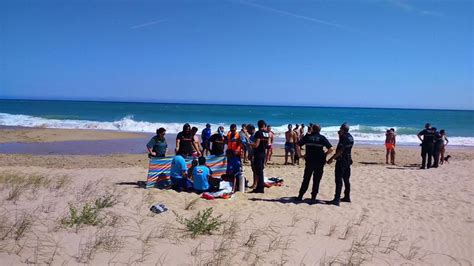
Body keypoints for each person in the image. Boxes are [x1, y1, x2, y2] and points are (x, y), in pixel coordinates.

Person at [295, 124, 334, 203]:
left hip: (309, 161)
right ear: (319, 130)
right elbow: (331, 149)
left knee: (306, 179)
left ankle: (300, 196)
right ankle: (313, 197)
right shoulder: (322, 138)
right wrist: (325, 154)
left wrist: (300, 155)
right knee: (316, 180)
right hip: (319, 162)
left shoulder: (307, 137)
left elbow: (297, 145)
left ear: (312, 129)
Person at [327, 123, 354, 206]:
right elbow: (347, 148)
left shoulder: (344, 137)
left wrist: (331, 159)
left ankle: (337, 198)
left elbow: (340, 150)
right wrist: (340, 136)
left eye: (340, 129)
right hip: (348, 159)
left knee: (338, 179)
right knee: (346, 179)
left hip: (342, 160)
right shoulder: (350, 137)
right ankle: (347, 196)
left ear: (342, 129)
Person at [248, 120, 269, 193]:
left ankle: (259, 188)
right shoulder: (267, 133)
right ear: (264, 125)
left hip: (258, 154)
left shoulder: (258, 133)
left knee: (258, 171)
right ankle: (260, 187)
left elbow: (256, 145)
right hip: (264, 153)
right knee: (261, 171)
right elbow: (267, 145)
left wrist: (249, 144)